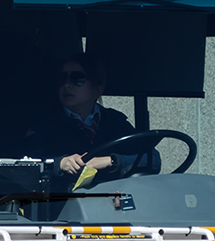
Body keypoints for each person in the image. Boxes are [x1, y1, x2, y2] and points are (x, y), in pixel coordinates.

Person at [22, 54, 142, 187]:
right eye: (62, 79)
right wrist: (59, 163)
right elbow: (25, 167)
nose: (67, 85)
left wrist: (112, 160)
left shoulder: (115, 121)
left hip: (109, 202)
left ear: (97, 89)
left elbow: (152, 159)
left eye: (77, 78)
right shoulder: (44, 124)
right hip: (61, 204)